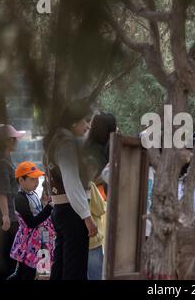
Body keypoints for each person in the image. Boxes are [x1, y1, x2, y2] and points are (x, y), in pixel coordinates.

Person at [43, 101, 98, 280]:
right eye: (86, 121)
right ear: (74, 122)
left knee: (61, 266)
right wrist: (86, 217)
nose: (88, 125)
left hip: (61, 210)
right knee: (74, 269)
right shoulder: (66, 143)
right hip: (71, 211)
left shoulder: (56, 140)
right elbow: (72, 182)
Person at [0, 124, 25, 280]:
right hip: (3, 217)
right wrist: (6, 216)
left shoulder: (2, 159)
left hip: (4, 214)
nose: (17, 141)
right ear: (8, 141)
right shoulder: (1, 162)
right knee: (3, 258)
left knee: (4, 256)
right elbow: (1, 192)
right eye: (14, 139)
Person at [8, 162, 54, 280]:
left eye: (38, 178)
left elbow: (38, 213)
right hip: (29, 243)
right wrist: (49, 207)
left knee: (44, 273)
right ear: (21, 180)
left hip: (42, 238)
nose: (37, 182)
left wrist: (44, 204)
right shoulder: (20, 198)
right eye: (33, 179)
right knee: (26, 273)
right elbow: (31, 222)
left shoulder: (32, 193)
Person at [84, 112, 116, 279]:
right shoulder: (97, 152)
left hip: (94, 207)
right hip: (97, 207)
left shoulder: (88, 147)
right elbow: (93, 177)